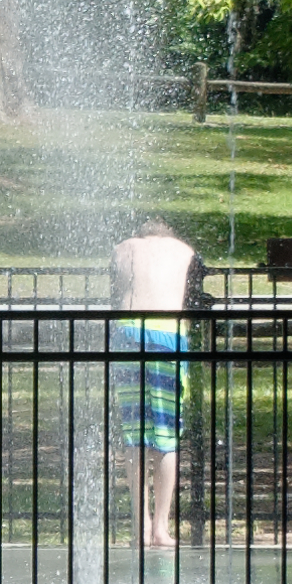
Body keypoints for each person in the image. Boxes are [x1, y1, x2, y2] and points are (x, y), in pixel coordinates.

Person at [106, 220, 198, 559]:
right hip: (167, 337)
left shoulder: (122, 248)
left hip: (129, 334)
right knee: (166, 435)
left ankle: (140, 525)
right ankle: (161, 526)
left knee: (135, 434)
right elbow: (196, 297)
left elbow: (116, 290)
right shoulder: (185, 251)